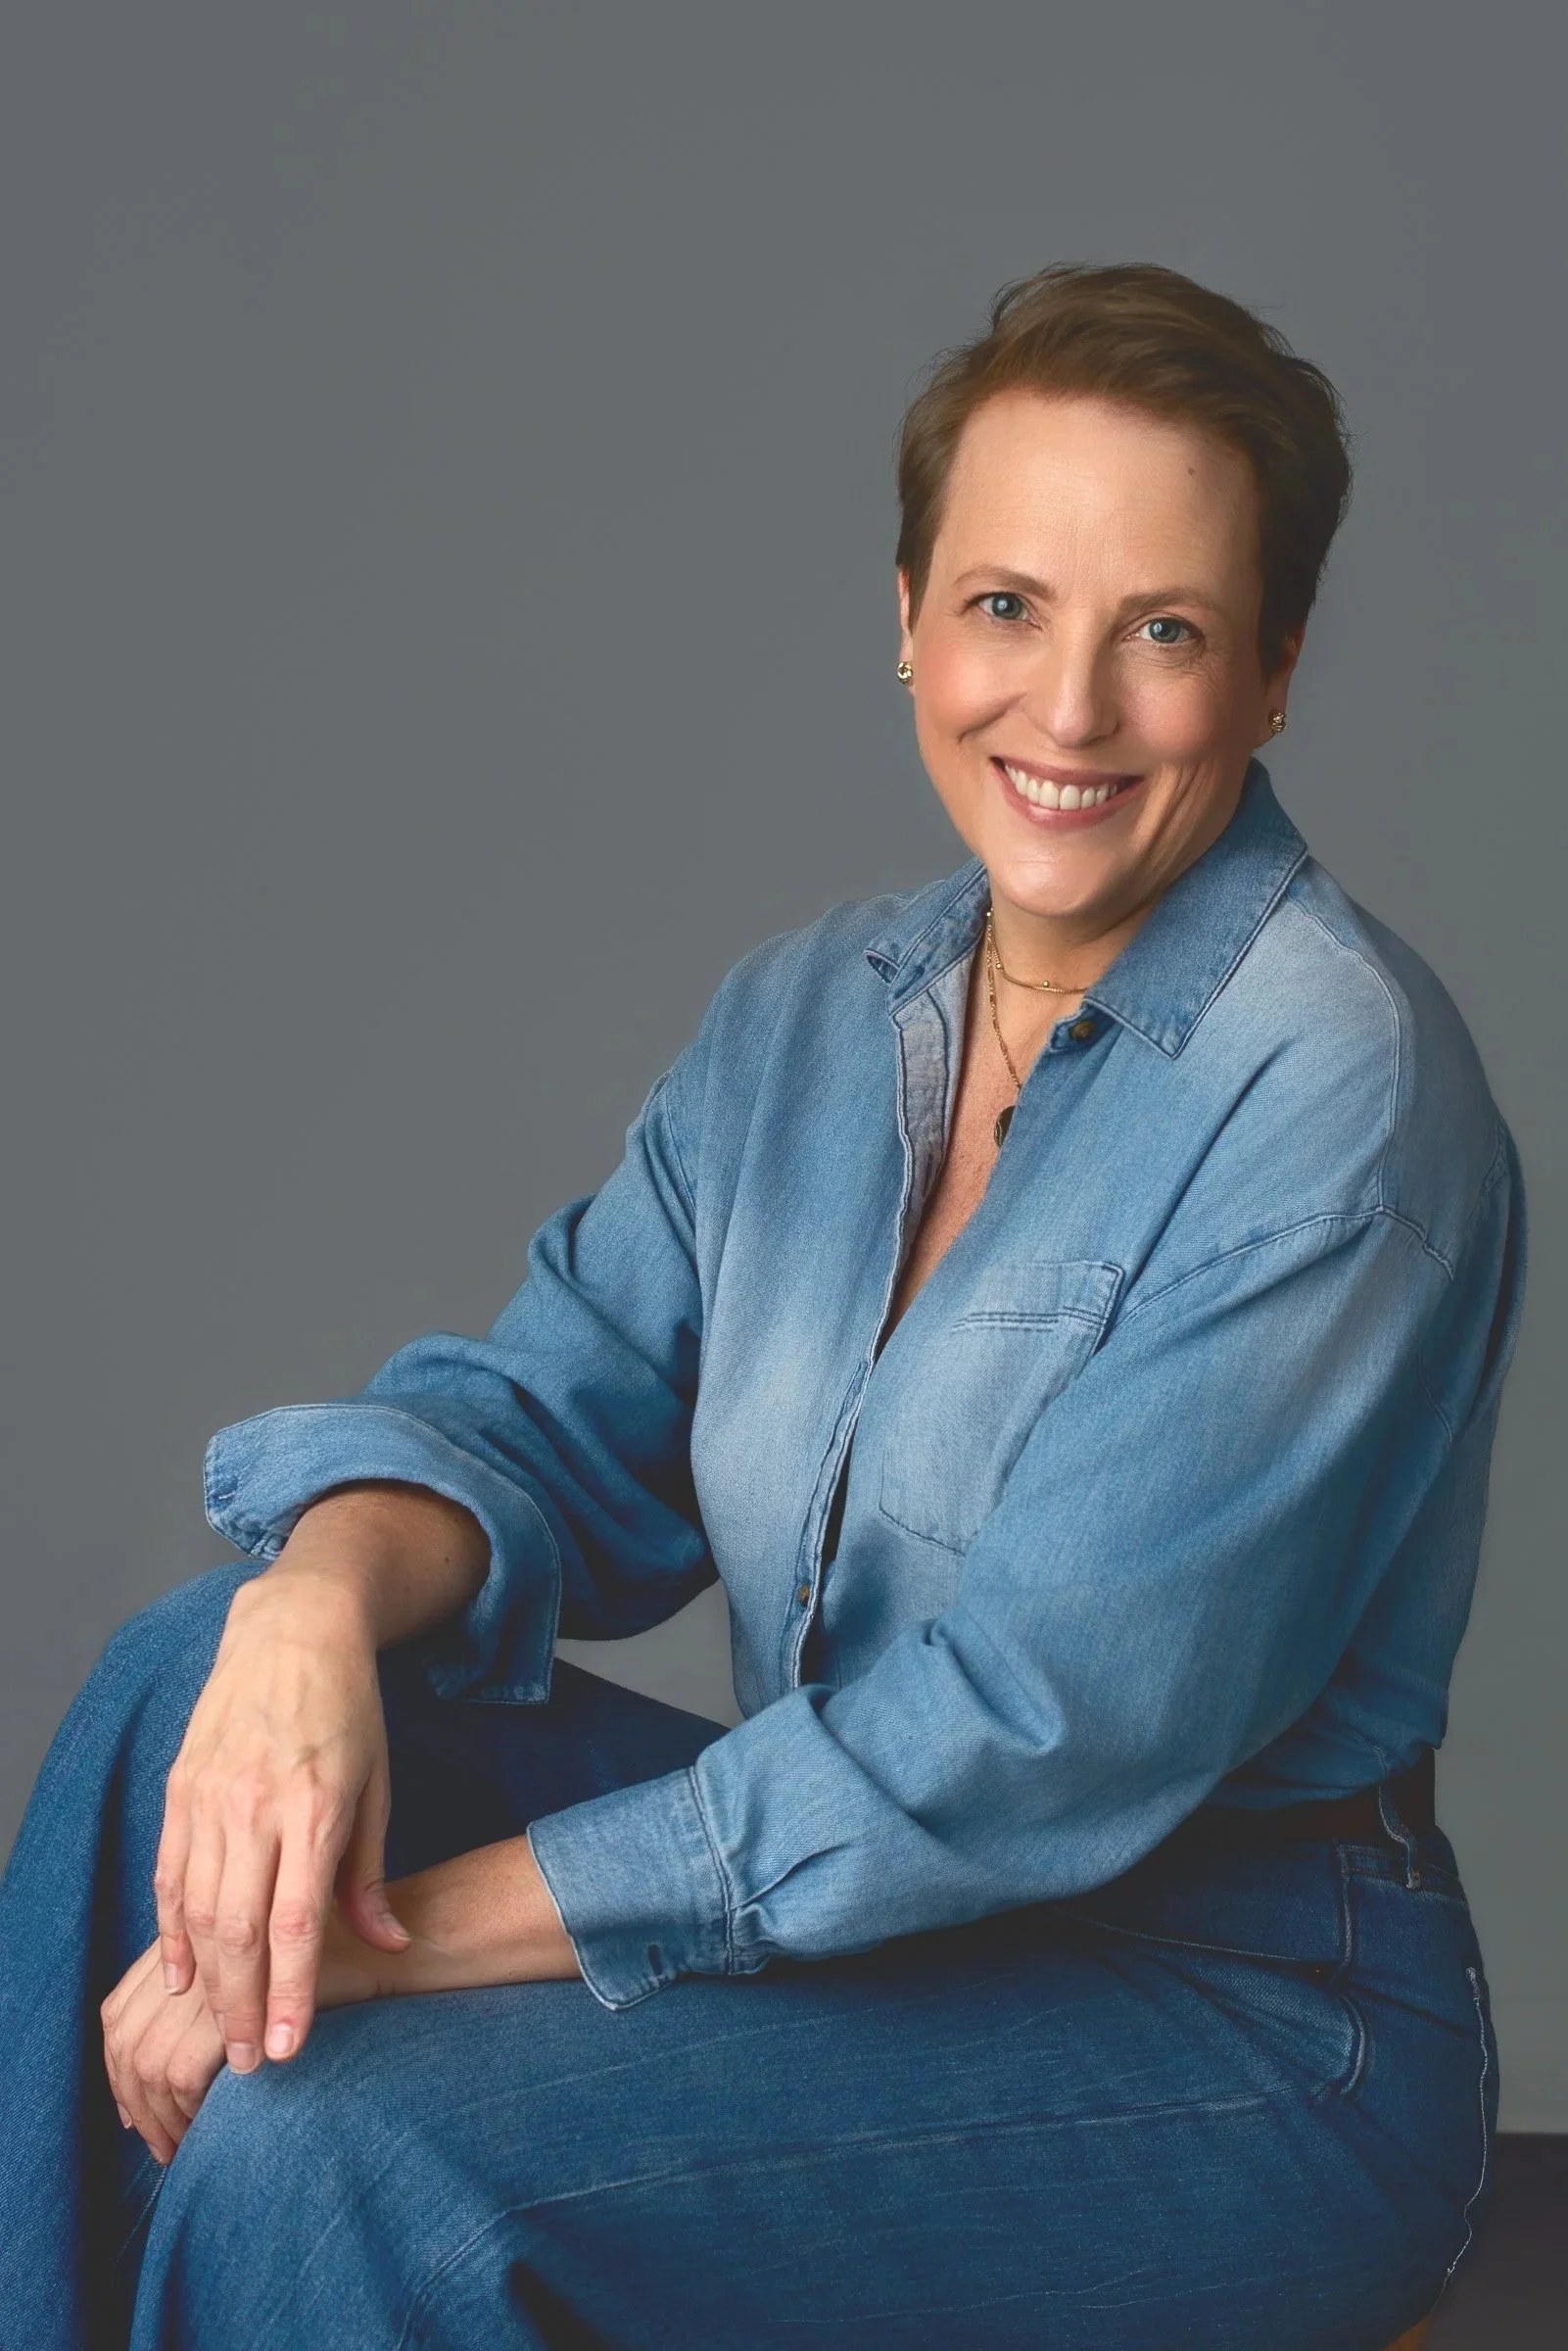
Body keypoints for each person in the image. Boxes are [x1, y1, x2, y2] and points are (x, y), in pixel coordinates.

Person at [0, 262, 1527, 2351]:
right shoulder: (818, 1016)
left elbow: (1005, 1750)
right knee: (187, 1684)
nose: (1063, 711)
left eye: (1158, 632)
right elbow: (548, 1422)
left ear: (1266, 675)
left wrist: (400, 1942)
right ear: (904, 618)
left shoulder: (1332, 1094)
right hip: (864, 1921)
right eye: (1003, 607)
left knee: (331, 2137)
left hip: (1238, 2014)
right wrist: (310, 1606)